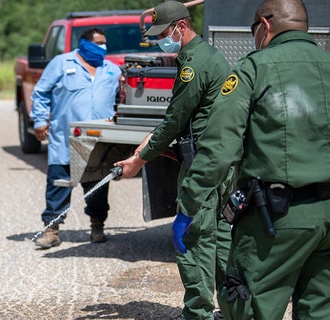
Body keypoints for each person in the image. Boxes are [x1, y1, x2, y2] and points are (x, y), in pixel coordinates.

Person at [175, 0, 330, 318]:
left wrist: (188, 207)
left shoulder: (254, 69)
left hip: (276, 219)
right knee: (320, 310)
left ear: (265, 25)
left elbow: (218, 150)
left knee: (248, 307)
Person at [114, 1, 232, 319]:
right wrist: (140, 153)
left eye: (164, 32)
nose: (160, 40)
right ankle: (233, 308)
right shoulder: (208, 56)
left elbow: (173, 121)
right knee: (220, 234)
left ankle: (197, 313)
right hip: (221, 162)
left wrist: (139, 160)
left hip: (202, 166)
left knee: (192, 235)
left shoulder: (194, 64)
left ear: (180, 27)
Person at [30, 27, 121, 248]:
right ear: (84, 43)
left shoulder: (112, 70)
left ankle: (97, 226)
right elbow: (41, 92)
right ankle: (51, 230)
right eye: (99, 42)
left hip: (99, 142)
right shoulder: (61, 63)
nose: (103, 47)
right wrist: (40, 121)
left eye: (104, 43)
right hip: (65, 139)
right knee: (58, 185)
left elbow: (121, 99)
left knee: (97, 187)